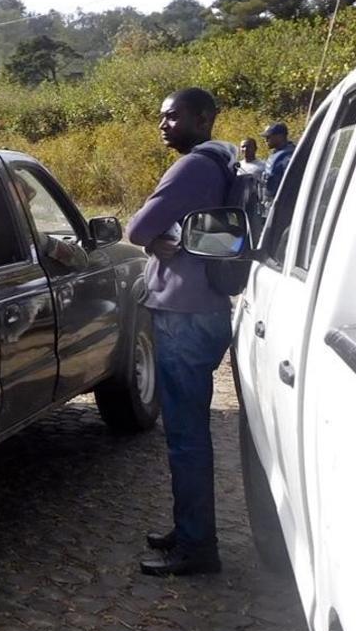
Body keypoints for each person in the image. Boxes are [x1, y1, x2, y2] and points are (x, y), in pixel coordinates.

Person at [126, 87, 236, 577]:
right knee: (188, 434)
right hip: (205, 309)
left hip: (185, 316)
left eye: (173, 116)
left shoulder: (193, 167)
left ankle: (196, 547)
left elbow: (137, 227)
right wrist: (164, 239)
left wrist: (153, 238)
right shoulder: (222, 164)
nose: (163, 125)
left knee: (187, 438)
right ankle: (189, 529)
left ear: (204, 118)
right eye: (161, 117)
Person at [261, 122, 295, 200]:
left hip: (282, 202)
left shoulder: (288, 155)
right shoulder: (277, 153)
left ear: (280, 136)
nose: (266, 140)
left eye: (269, 137)